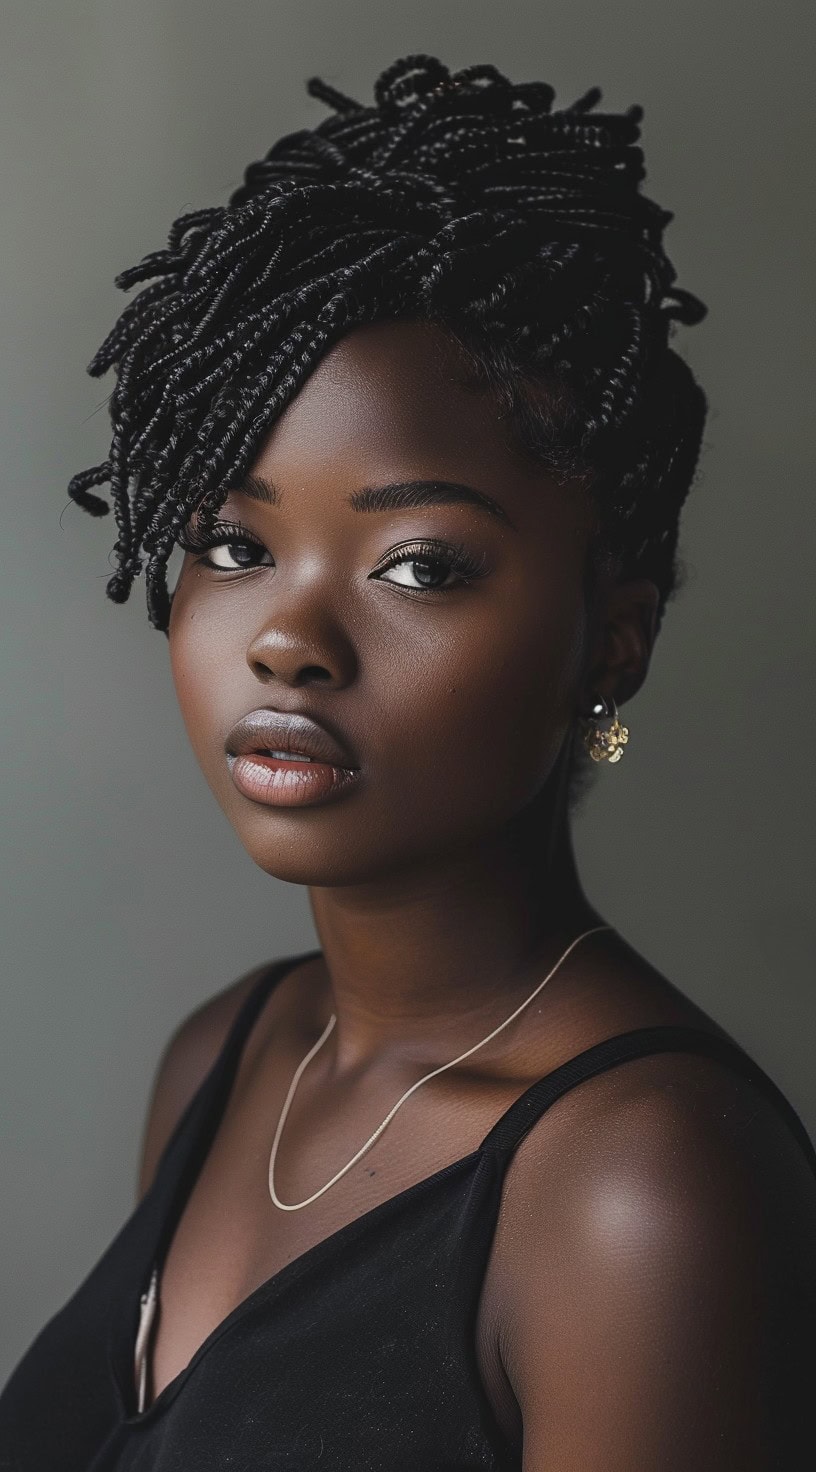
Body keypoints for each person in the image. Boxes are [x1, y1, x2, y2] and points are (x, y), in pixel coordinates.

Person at [1, 51, 814, 1470]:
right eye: (237, 547)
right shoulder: (226, 1055)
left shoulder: (642, 1184)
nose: (289, 640)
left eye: (420, 565)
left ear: (611, 643)